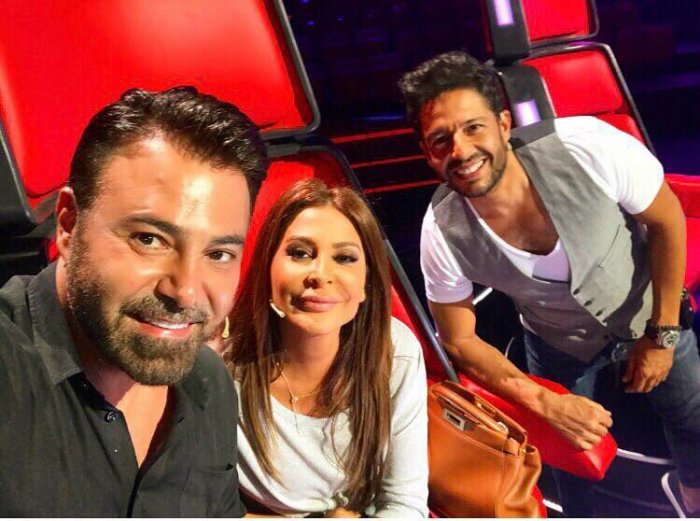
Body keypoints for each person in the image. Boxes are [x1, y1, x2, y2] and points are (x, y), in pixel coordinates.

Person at [398, 50, 700, 517]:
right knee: (569, 458)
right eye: (441, 139)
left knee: (692, 417)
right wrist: (545, 403)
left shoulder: (586, 146)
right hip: (556, 341)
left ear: (503, 123)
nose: (460, 150)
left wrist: (662, 335)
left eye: (473, 127)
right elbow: (457, 339)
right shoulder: (440, 229)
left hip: (648, 311)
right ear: (427, 153)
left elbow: (667, 221)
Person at [0, 86, 268, 516]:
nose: (185, 290)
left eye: (218, 254)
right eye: (150, 239)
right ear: (68, 224)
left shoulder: (209, 382)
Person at [221, 179, 428, 518]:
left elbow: (405, 506)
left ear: (367, 283)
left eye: (344, 258)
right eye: (299, 253)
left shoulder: (395, 351)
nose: (320, 274)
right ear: (268, 266)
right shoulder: (220, 364)